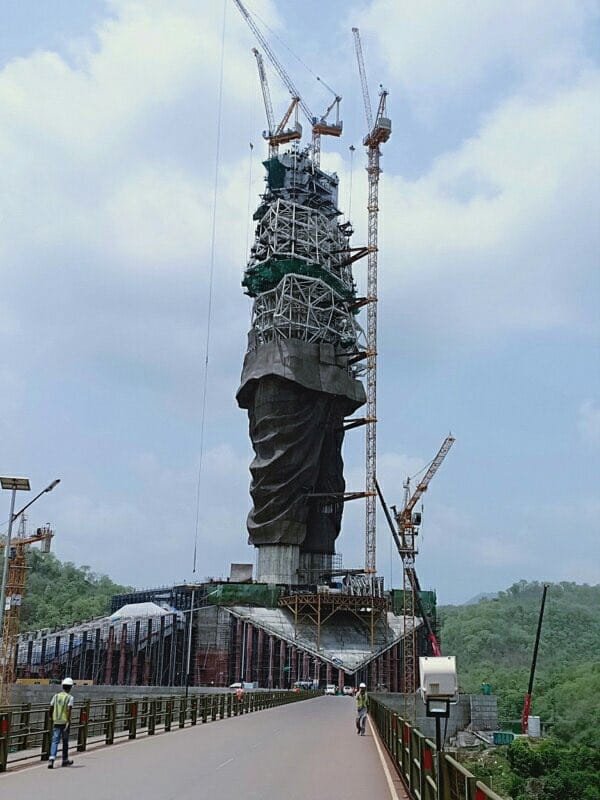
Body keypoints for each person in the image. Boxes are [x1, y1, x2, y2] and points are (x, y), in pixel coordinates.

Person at [48, 677, 75, 768]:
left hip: (56, 721)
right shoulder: (69, 697)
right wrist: (68, 720)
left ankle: (51, 759)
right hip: (65, 722)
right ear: (70, 687)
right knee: (65, 741)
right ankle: (65, 760)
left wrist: (51, 716)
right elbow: (68, 710)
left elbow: (51, 707)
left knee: (55, 741)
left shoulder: (55, 696)